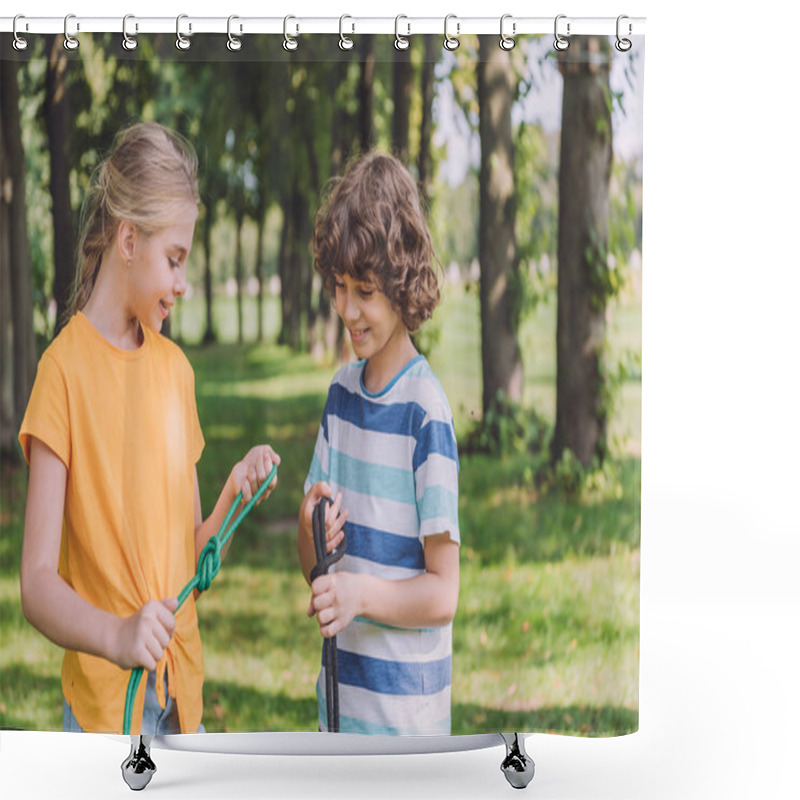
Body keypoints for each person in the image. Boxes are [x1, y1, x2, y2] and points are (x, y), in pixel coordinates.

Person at [18, 122, 280, 736]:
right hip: (108, 717)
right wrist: (116, 634)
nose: (182, 284)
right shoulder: (62, 374)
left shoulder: (175, 372)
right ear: (128, 240)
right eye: (175, 260)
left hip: (180, 702)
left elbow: (187, 554)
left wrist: (233, 495)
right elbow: (35, 583)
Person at [298, 152, 460, 736]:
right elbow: (316, 567)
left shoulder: (425, 412)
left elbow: (443, 593)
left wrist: (362, 594)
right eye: (340, 287)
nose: (347, 309)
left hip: (405, 728)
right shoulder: (341, 397)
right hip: (342, 713)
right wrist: (309, 526)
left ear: (402, 283)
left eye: (364, 290)